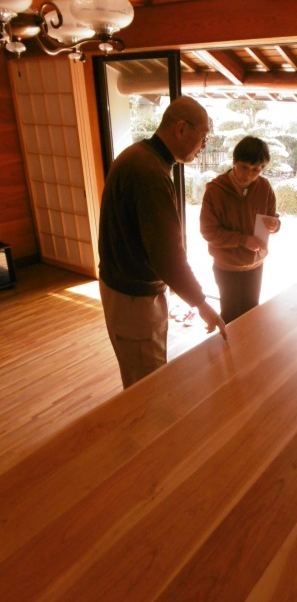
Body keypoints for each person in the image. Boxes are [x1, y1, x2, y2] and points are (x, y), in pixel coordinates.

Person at [98, 95, 227, 389]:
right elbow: (167, 256)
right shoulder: (150, 173)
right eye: (203, 135)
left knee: (137, 375)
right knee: (148, 385)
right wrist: (201, 303)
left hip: (119, 287)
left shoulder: (137, 155)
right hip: (133, 297)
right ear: (181, 129)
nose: (204, 144)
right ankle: (146, 435)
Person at [200, 135, 280, 324]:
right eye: (245, 167)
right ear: (234, 161)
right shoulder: (215, 190)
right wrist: (244, 240)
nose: (250, 174)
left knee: (252, 315)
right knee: (230, 317)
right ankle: (229, 353)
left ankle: (249, 353)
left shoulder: (264, 187)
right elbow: (208, 232)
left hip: (255, 265)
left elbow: (272, 217)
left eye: (256, 169)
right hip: (227, 266)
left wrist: (276, 225)